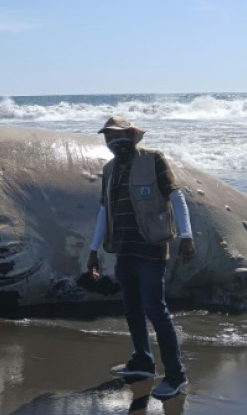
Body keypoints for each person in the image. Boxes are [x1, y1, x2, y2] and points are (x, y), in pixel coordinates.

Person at [87, 115, 195, 400]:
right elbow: (103, 211)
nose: (113, 142)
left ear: (132, 135)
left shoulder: (153, 159)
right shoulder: (109, 169)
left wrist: (187, 235)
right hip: (124, 251)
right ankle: (143, 362)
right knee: (132, 308)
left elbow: (175, 196)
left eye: (118, 135)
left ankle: (176, 375)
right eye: (108, 137)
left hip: (150, 249)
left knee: (155, 310)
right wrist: (93, 249)